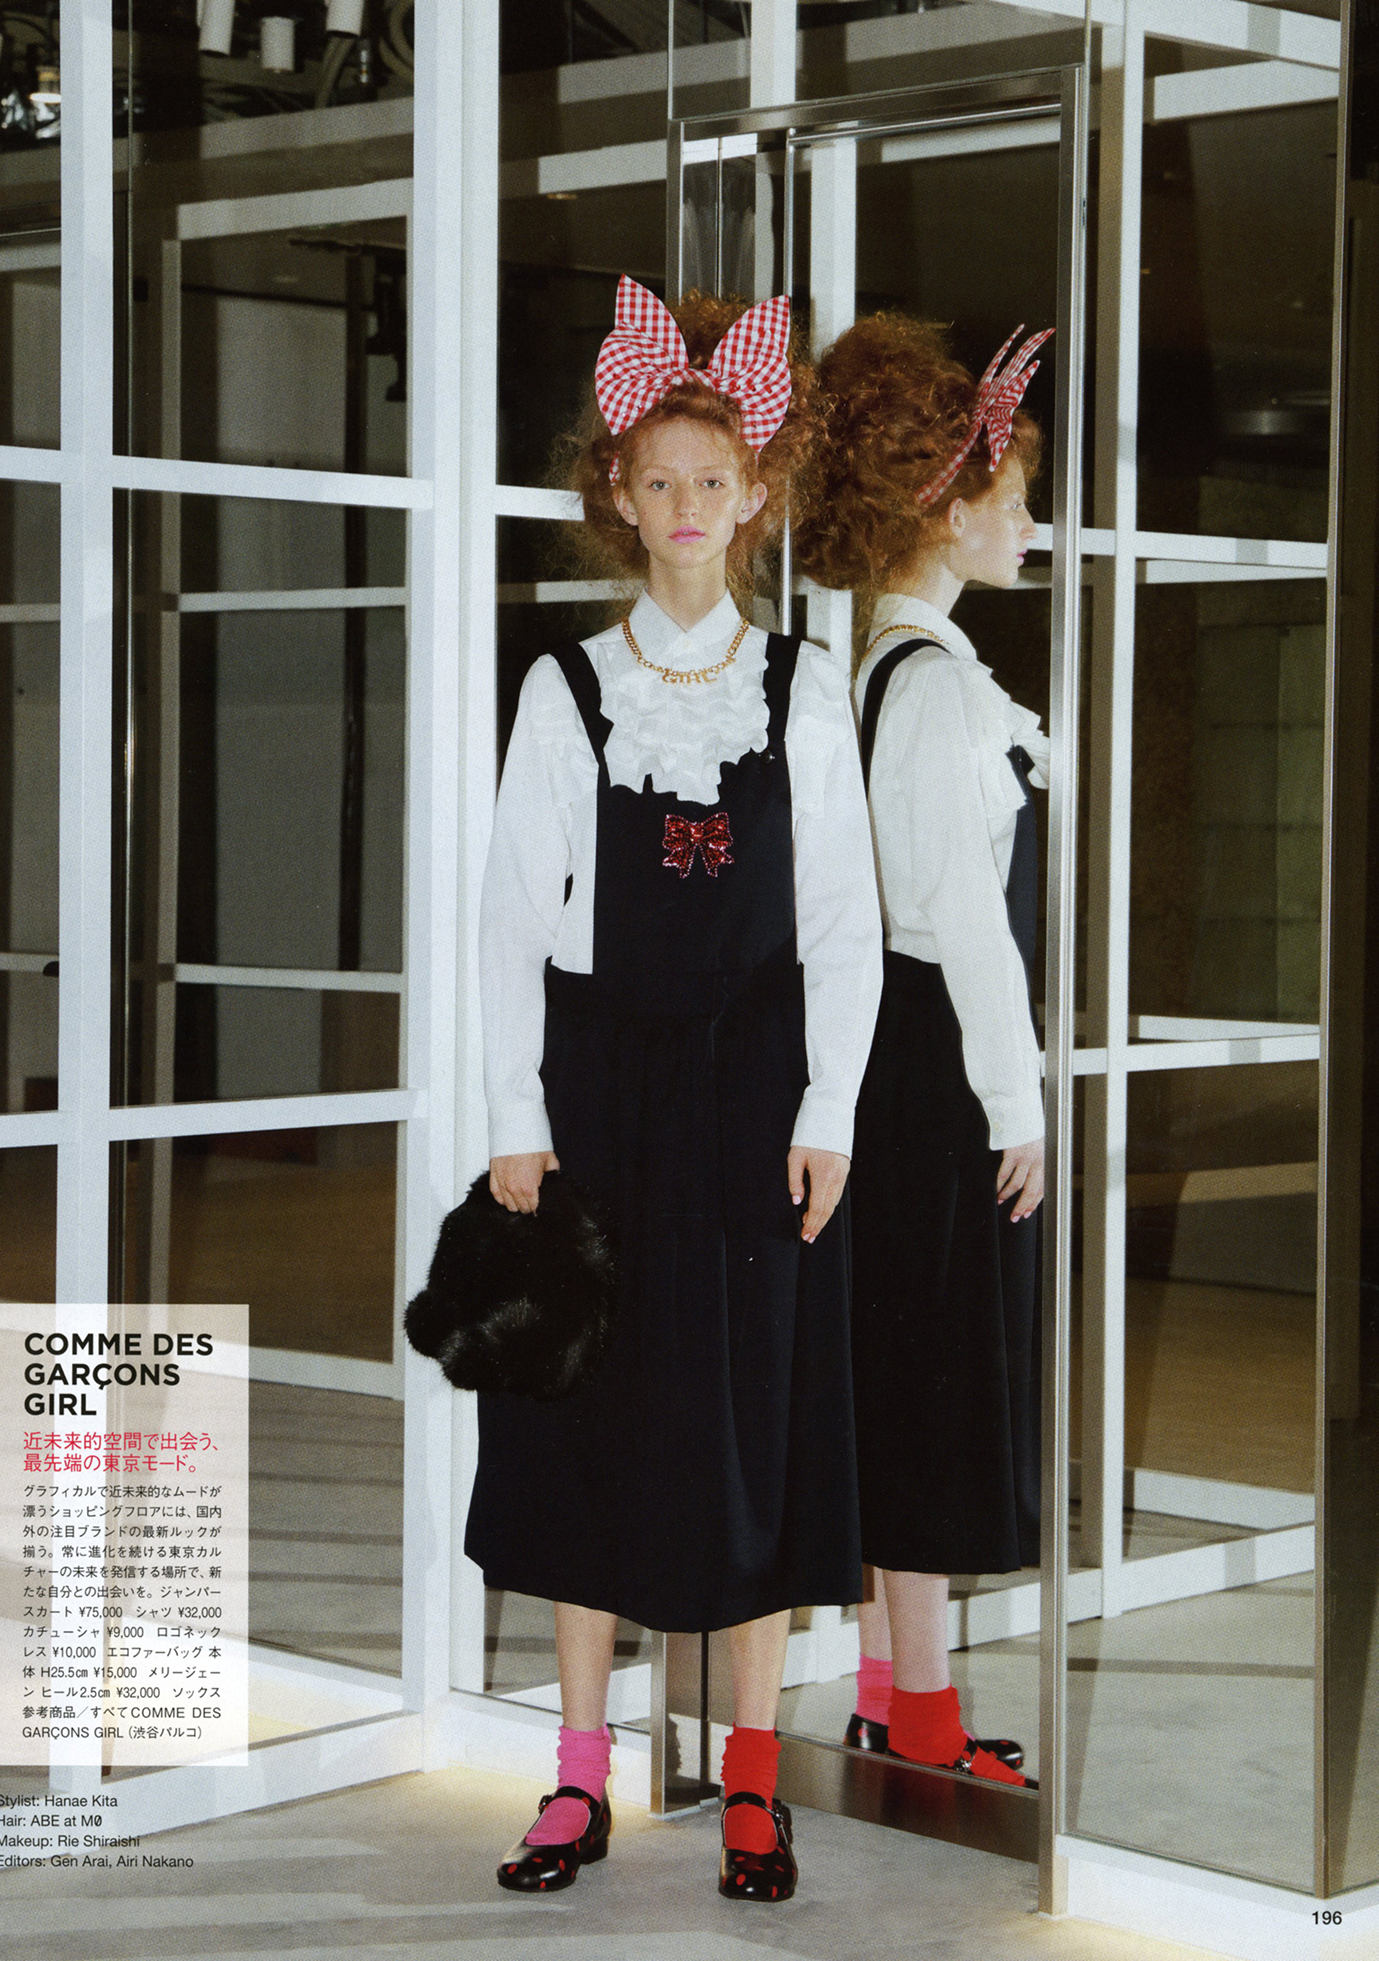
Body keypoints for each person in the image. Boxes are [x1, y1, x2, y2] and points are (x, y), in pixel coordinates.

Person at [469, 276, 882, 1900]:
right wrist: (518, 1119)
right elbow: (511, 920)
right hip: (600, 1097)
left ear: (755, 492)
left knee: (750, 1426)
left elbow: (841, 923)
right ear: (620, 496)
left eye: (716, 478)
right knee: (582, 1424)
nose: (690, 506)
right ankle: (578, 1776)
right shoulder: (566, 691)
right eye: (661, 480)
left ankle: (756, 1781)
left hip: (755, 1101)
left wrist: (829, 1109)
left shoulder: (806, 686)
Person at [797, 311, 1051, 1788]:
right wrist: (1017, 1100)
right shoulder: (933, 686)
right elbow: (969, 924)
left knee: (902, 1373)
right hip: (940, 1066)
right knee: (939, 1384)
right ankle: (924, 1715)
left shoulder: (885, 667)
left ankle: (896, 1701)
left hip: (894, 1059)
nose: (1029, 525)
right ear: (947, 512)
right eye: (1013, 498)